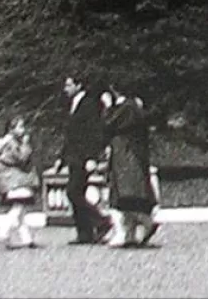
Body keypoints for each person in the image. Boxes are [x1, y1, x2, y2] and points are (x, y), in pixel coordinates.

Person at [100, 86, 160, 248]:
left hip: (125, 156)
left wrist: (107, 107)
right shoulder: (133, 107)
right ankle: (130, 233)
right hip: (128, 155)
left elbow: (108, 125)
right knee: (126, 197)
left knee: (124, 197)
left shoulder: (126, 108)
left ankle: (141, 225)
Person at [59, 76, 109, 245]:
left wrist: (91, 157)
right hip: (73, 156)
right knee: (77, 192)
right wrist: (61, 158)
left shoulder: (89, 104)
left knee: (73, 192)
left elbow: (93, 133)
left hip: (83, 156)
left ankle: (101, 220)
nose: (65, 89)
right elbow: (70, 134)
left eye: (69, 85)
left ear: (78, 85)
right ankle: (84, 233)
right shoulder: (73, 104)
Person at [0, 116, 41, 249]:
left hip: (8, 175)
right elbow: (22, 158)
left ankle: (26, 238)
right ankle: (3, 231)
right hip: (13, 176)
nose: (23, 130)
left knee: (20, 207)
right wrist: (26, 144)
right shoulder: (12, 143)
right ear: (11, 129)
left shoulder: (9, 142)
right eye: (20, 127)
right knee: (19, 205)